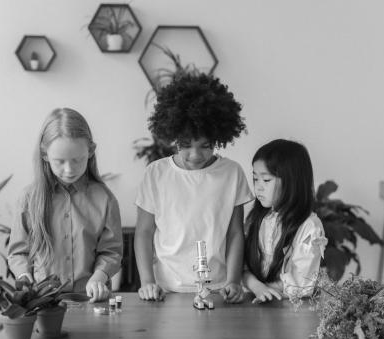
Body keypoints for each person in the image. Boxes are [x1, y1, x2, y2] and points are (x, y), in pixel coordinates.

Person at [135, 72, 254, 305]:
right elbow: (144, 232)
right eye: (185, 145)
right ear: (173, 136)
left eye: (205, 146)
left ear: (219, 138)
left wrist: (233, 280)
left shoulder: (231, 173)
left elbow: (235, 233)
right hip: (165, 290)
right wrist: (147, 281)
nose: (195, 155)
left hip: (219, 289)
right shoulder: (156, 173)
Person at [8, 107, 123, 301]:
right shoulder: (28, 198)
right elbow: (18, 252)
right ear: (45, 155)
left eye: (78, 160)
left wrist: (99, 277)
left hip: (91, 300)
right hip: (43, 303)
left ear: (91, 152)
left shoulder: (105, 199)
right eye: (59, 161)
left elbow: (111, 252)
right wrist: (23, 276)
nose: (69, 170)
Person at [243, 139, 327, 303]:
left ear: (292, 182)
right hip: (255, 302)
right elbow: (243, 267)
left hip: (289, 309)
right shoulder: (258, 218)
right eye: (255, 179)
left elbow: (301, 284)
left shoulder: (309, 227)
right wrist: (257, 287)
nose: (258, 187)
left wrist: (265, 289)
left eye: (266, 180)